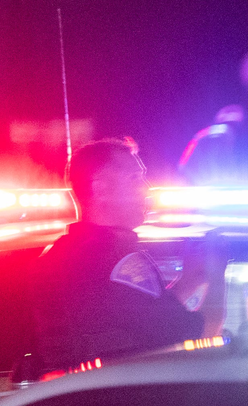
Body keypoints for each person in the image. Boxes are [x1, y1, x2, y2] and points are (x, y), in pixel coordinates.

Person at [32, 138, 223, 370]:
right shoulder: (116, 260)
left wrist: (190, 279)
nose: (146, 187)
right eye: (135, 178)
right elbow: (203, 335)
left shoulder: (60, 257)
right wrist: (216, 273)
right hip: (126, 401)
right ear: (100, 189)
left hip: (84, 396)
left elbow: (137, 319)